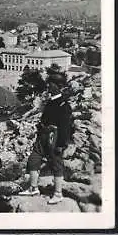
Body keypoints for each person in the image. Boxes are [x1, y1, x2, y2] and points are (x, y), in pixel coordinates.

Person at [18, 73, 72, 204]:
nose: (48, 85)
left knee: (55, 163)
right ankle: (33, 188)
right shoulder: (51, 101)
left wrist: (61, 144)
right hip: (43, 134)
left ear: (58, 86)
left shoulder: (63, 104)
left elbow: (65, 126)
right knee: (33, 159)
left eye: (51, 83)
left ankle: (58, 193)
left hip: (54, 136)